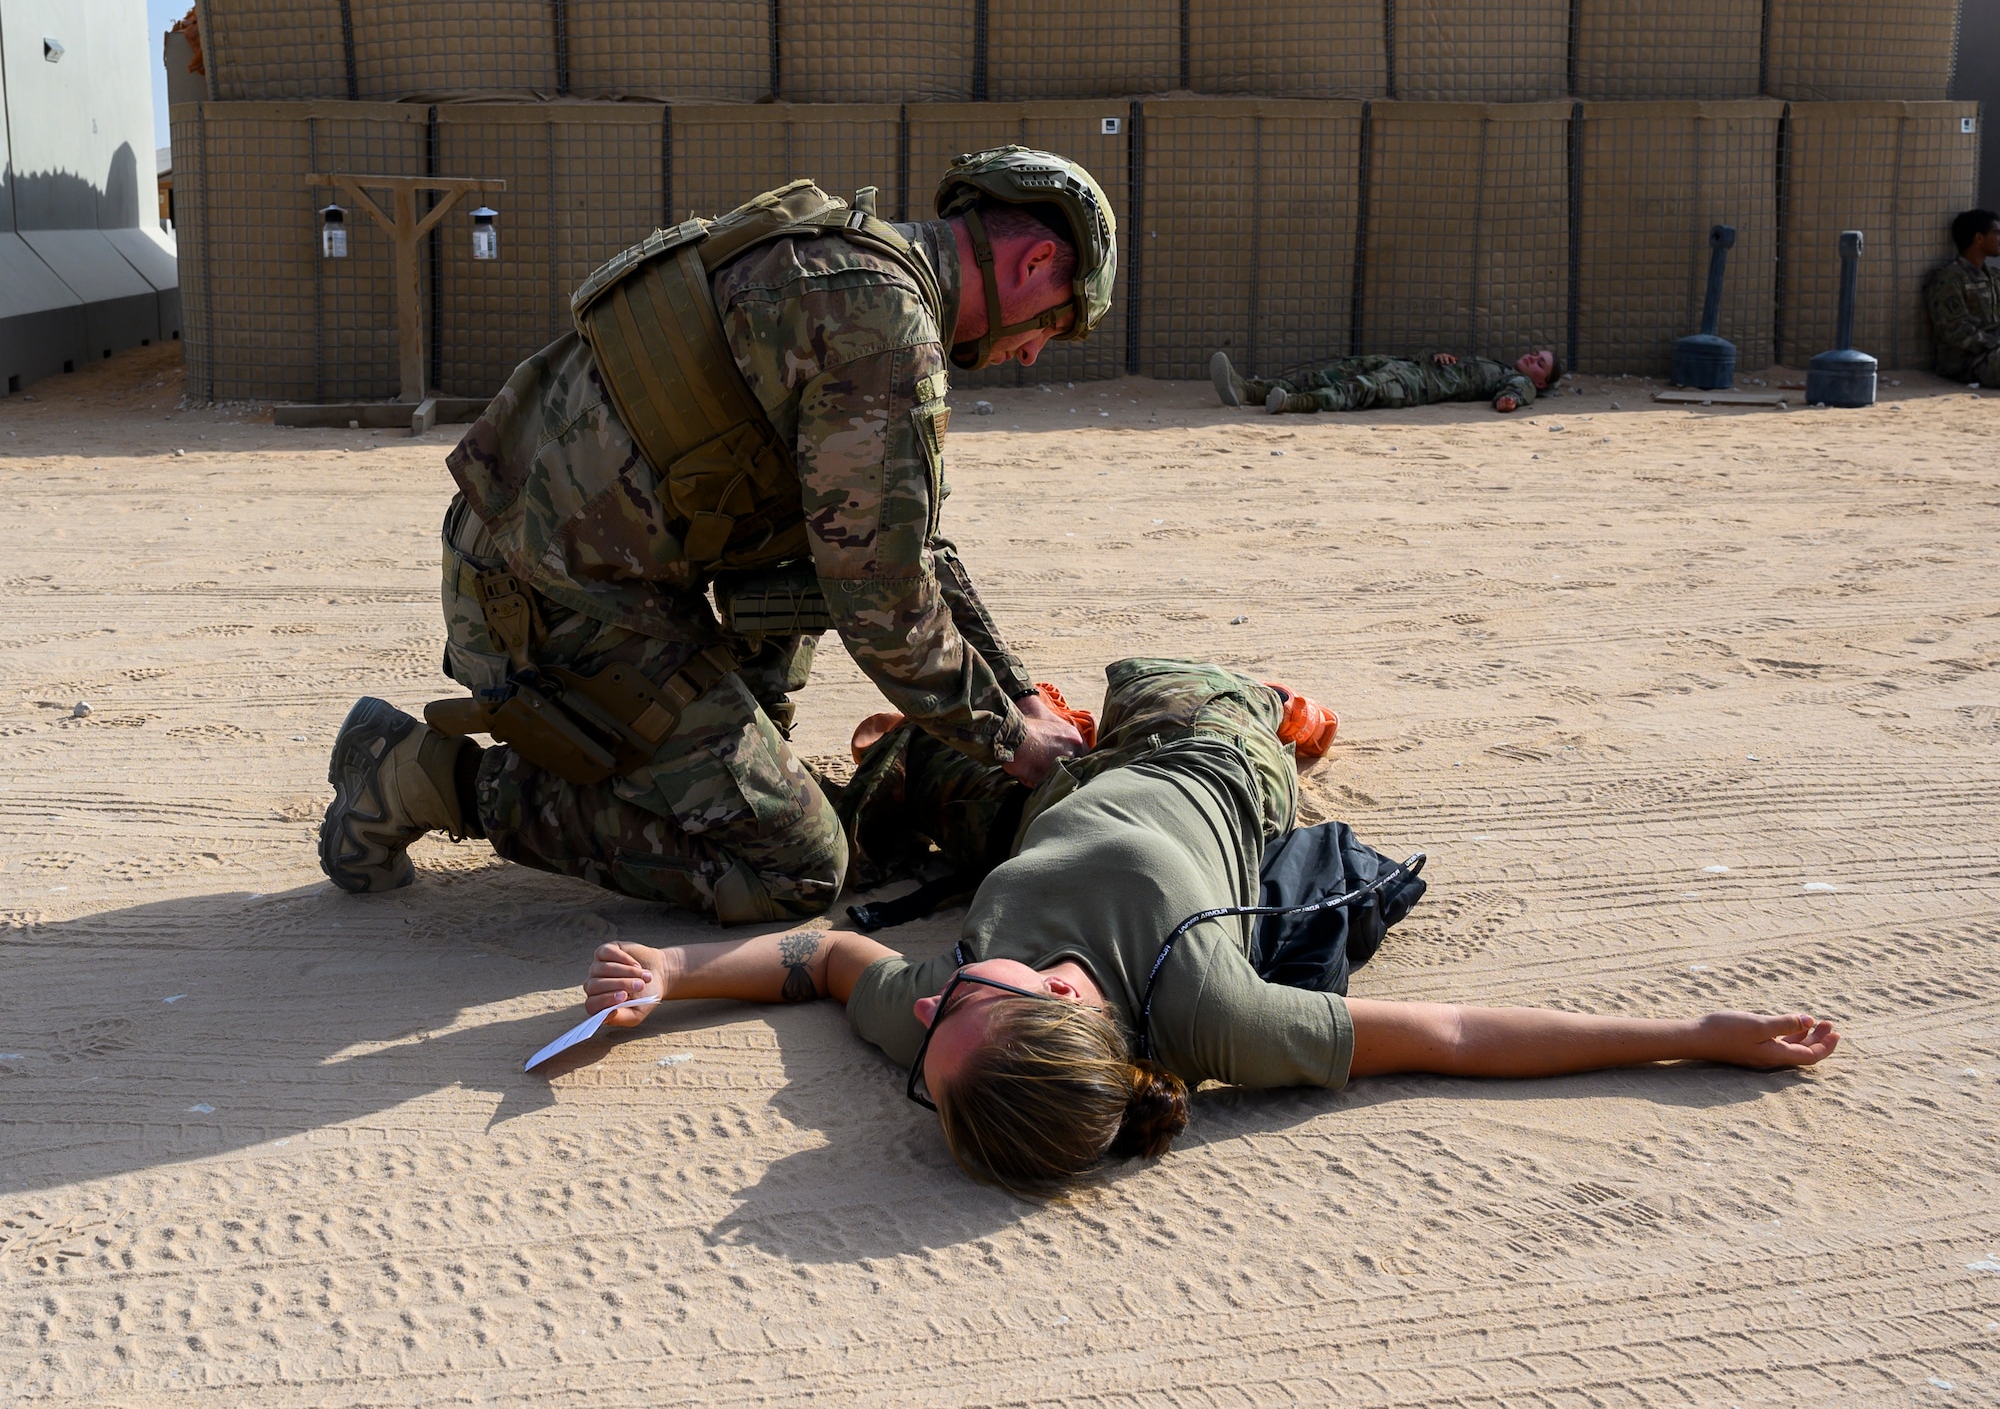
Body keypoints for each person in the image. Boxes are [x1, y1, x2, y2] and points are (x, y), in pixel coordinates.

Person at [578, 658, 1840, 1196]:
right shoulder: (1210, 1015)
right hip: (1206, 769)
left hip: (1049, 805)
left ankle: (1044, 731)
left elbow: (819, 956)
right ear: (1070, 1007)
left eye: (931, 1039)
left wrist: (671, 978)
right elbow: (1450, 1031)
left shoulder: (946, 1033)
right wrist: (1691, 1033)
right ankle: (1290, 716)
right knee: (1164, 680)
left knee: (897, 764)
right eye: (957, 1006)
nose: (925, 1003)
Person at [317, 148, 1119, 924]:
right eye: (1055, 324)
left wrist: (1014, 693)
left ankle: (730, 761)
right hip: (548, 599)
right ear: (1036, 261)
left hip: (571, 560)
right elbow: (881, 599)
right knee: (800, 866)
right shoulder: (882, 331)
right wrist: (1012, 741)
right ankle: (421, 775)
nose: (1031, 350)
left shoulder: (840, 256)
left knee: (811, 584)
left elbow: (912, 550)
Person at [1210, 347, 1560, 415]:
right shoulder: (1497, 364)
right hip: (1410, 366)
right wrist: (1439, 355)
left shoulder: (1519, 382)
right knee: (1335, 372)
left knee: (1358, 389)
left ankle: (1293, 403)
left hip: (1416, 386)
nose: (1531, 358)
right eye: (1534, 353)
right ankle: (1249, 391)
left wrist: (1511, 400)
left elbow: (1516, 392)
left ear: (1541, 382)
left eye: (1539, 363)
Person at [1924, 208, 2000, 386]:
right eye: (1996, 233)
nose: (1999, 239)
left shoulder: (1994, 277)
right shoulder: (1949, 278)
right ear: (1979, 238)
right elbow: (1955, 330)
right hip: (1969, 361)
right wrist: (1994, 342)